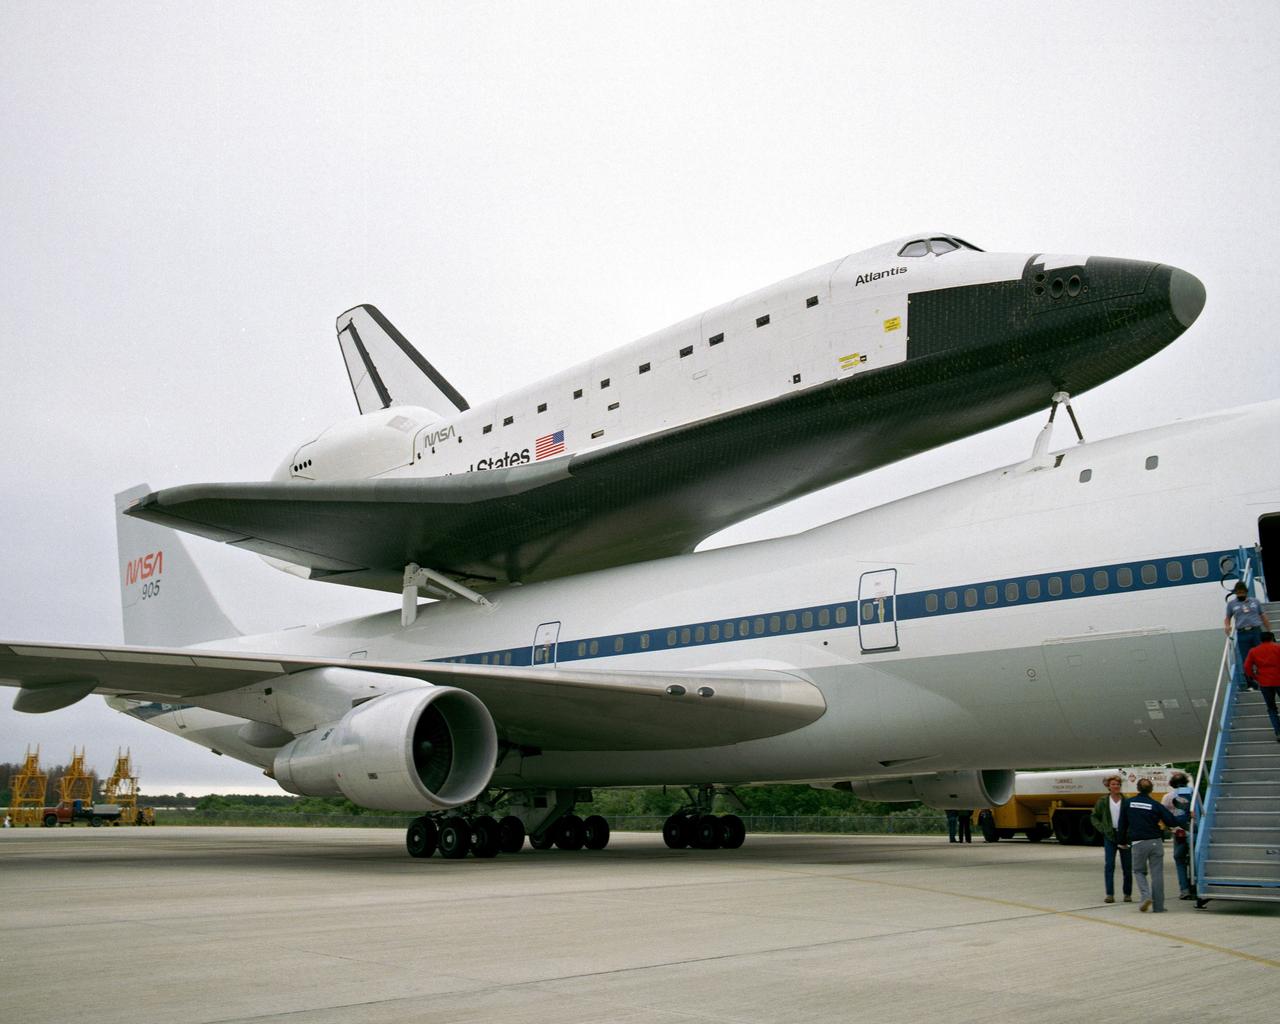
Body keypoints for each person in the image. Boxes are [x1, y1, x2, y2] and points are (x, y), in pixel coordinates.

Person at [1118, 777, 1188, 913]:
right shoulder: (1156, 805)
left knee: (1139, 871)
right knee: (1157, 874)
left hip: (1139, 842)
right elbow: (1171, 821)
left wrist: (1121, 841)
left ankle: (1145, 896)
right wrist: (1185, 816)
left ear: (1138, 789)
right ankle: (1159, 907)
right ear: (1151, 790)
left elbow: (1122, 824)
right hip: (1156, 842)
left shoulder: (1128, 803)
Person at [1090, 775, 1132, 903]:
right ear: (1109, 786)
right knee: (1109, 865)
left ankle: (1127, 893)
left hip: (1124, 835)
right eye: (1113, 784)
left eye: (1118, 784)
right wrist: (1102, 828)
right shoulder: (1103, 801)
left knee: (1127, 866)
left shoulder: (1126, 800)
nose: (1116, 786)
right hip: (1109, 835)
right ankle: (1110, 894)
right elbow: (1094, 817)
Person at [1225, 582, 1271, 689]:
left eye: (1242, 592)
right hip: (1242, 633)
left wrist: (1268, 629)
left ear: (1246, 592)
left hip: (1256, 631)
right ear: (1235, 593)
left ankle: (1264, 679)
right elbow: (1227, 617)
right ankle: (1250, 682)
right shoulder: (1232, 604)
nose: (1240, 594)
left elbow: (1262, 615)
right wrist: (1227, 626)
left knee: (1261, 656)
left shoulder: (1255, 601)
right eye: (1238, 593)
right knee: (1246, 659)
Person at [1161, 771, 1195, 899]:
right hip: (1192, 829)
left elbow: (1164, 814)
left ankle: (1184, 890)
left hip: (1178, 832)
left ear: (1172, 784)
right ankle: (1195, 886)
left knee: (1180, 860)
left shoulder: (1167, 797)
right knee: (1194, 859)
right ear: (1186, 782)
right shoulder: (1193, 794)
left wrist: (1171, 828)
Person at [1243, 630, 1280, 741]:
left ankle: (1278, 732)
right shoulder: (1277, 648)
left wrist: (1255, 678)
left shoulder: (1253, 651)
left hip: (1264, 682)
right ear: (1272, 638)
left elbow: (1246, 667)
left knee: (1271, 708)